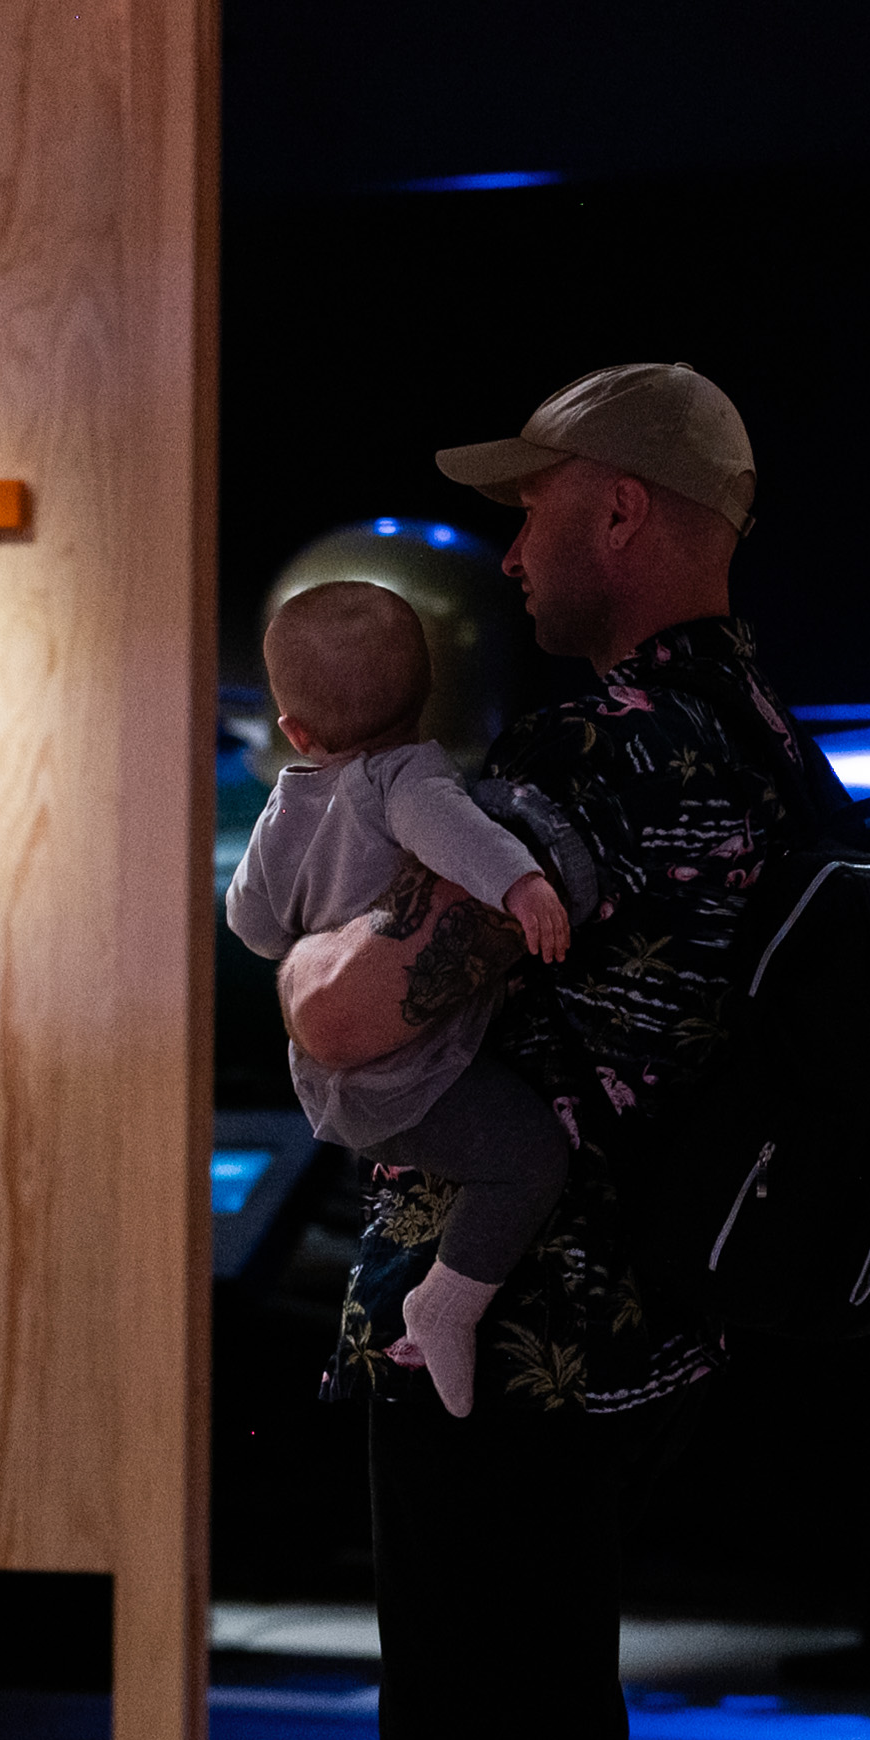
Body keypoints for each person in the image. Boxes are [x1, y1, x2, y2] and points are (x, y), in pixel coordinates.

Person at [276, 362, 847, 1740]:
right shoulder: (767, 732)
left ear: (622, 511)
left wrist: (309, 958)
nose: (505, 551)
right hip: (637, 1319)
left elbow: (362, 1010)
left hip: (505, 1339)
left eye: (531, 508)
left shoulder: (602, 751)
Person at [223, 580, 576, 1416]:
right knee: (529, 1159)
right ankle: (447, 1305)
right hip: (408, 1076)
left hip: (333, 1087)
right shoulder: (409, 780)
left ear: (295, 732)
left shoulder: (284, 806)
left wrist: (311, 927)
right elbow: (459, 836)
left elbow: (253, 923)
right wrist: (523, 885)